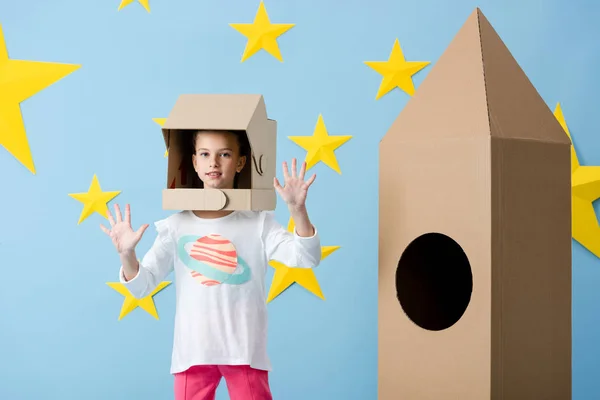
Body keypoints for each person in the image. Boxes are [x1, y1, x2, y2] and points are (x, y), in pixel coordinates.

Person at [100, 129, 322, 400]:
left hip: (244, 350)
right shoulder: (176, 226)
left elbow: (307, 257)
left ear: (240, 162)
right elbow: (141, 286)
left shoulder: (258, 222)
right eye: (205, 154)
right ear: (194, 162)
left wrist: (297, 210)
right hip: (193, 352)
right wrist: (127, 254)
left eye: (224, 154)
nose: (213, 162)